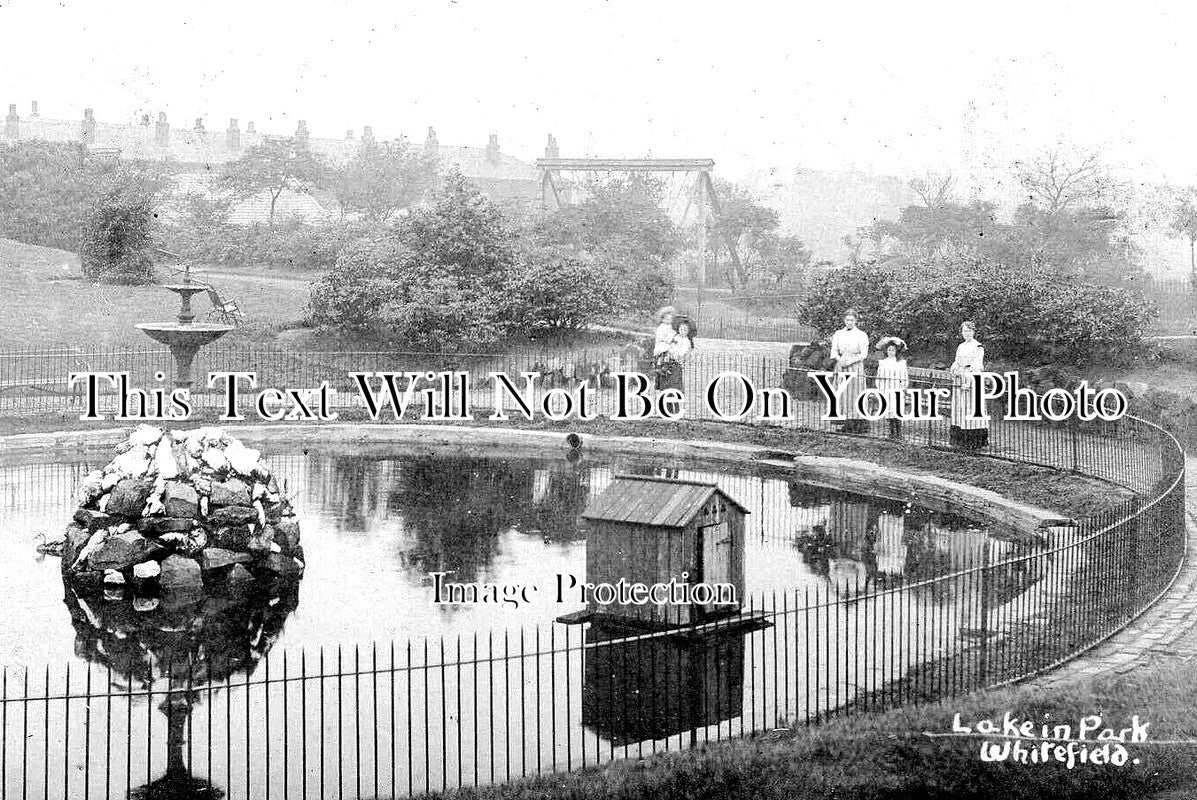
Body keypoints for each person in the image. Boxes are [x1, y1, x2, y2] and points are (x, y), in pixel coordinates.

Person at [828, 309, 870, 433]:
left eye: (852, 320)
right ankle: (846, 423)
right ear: (844, 320)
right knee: (843, 394)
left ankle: (858, 425)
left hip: (855, 366)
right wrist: (840, 361)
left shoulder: (861, 335)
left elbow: (863, 354)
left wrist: (850, 361)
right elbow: (834, 351)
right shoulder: (838, 334)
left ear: (856, 321)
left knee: (855, 394)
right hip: (841, 366)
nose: (849, 322)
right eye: (847, 320)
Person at [950, 320, 989, 450]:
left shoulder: (978, 347)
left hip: (972, 380)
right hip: (960, 378)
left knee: (971, 408)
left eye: (969, 330)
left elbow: (977, 364)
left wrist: (968, 378)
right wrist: (955, 368)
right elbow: (956, 361)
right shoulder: (961, 346)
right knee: (960, 408)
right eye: (964, 331)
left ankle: (974, 441)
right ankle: (960, 439)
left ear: (973, 331)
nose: (966, 333)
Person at [875, 336, 909, 439]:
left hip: (896, 388)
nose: (890, 352)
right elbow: (879, 377)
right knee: (889, 409)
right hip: (886, 388)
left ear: (896, 351)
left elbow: (904, 376)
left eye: (893, 350)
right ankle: (891, 431)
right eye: (889, 350)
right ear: (886, 351)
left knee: (897, 408)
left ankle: (898, 432)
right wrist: (880, 388)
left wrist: (903, 387)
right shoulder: (883, 362)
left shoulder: (900, 363)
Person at [655, 315, 696, 393]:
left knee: (673, 386)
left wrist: (672, 351)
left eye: (685, 330)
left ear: (688, 331)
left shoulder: (686, 342)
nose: (682, 331)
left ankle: (674, 401)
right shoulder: (675, 337)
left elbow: (682, 353)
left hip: (676, 364)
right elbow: (667, 345)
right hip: (667, 363)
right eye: (681, 329)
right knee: (665, 384)